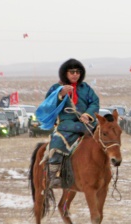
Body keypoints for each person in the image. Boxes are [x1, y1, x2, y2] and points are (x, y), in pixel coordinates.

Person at [43, 58, 100, 188]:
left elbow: (94, 102)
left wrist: (87, 114)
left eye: (78, 72)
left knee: (105, 138)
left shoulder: (85, 88)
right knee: (57, 142)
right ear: (65, 73)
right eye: (72, 72)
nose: (75, 75)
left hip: (87, 123)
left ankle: (105, 168)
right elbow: (48, 105)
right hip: (66, 124)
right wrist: (61, 94)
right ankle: (54, 175)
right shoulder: (56, 88)